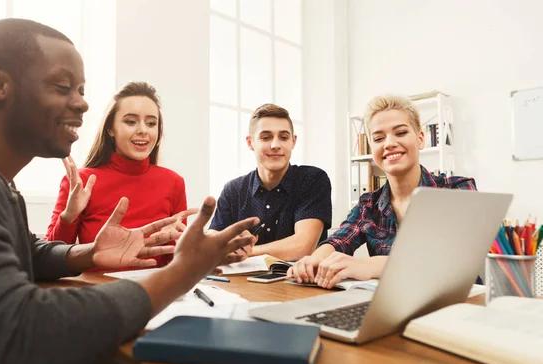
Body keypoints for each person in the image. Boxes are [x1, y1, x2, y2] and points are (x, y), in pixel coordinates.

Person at [0, 18, 256, 364]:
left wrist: (89, 252)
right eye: (63, 87)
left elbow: (27, 248)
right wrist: (182, 273)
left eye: (81, 90)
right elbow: (15, 340)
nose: (83, 103)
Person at [288, 95, 477, 288]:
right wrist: (315, 260)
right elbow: (339, 240)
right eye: (378, 138)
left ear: (420, 139)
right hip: (393, 305)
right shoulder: (369, 204)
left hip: (458, 304)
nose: (389, 143)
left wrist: (372, 265)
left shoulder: (457, 190)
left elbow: (454, 259)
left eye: (401, 133)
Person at [46, 81, 196, 271]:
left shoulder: (174, 183)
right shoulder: (80, 183)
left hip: (154, 293)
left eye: (151, 123)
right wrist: (69, 216)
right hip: (98, 293)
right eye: (131, 121)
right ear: (111, 129)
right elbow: (50, 257)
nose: (142, 130)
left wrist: (176, 244)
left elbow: (176, 267)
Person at [209, 103, 332, 261]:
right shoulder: (233, 189)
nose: (275, 145)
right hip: (241, 283)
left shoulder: (312, 179)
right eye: (266, 137)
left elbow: (303, 246)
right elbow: (214, 241)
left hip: (298, 282)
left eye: (283, 137)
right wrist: (217, 243)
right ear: (250, 142)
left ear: (293, 141)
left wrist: (246, 251)